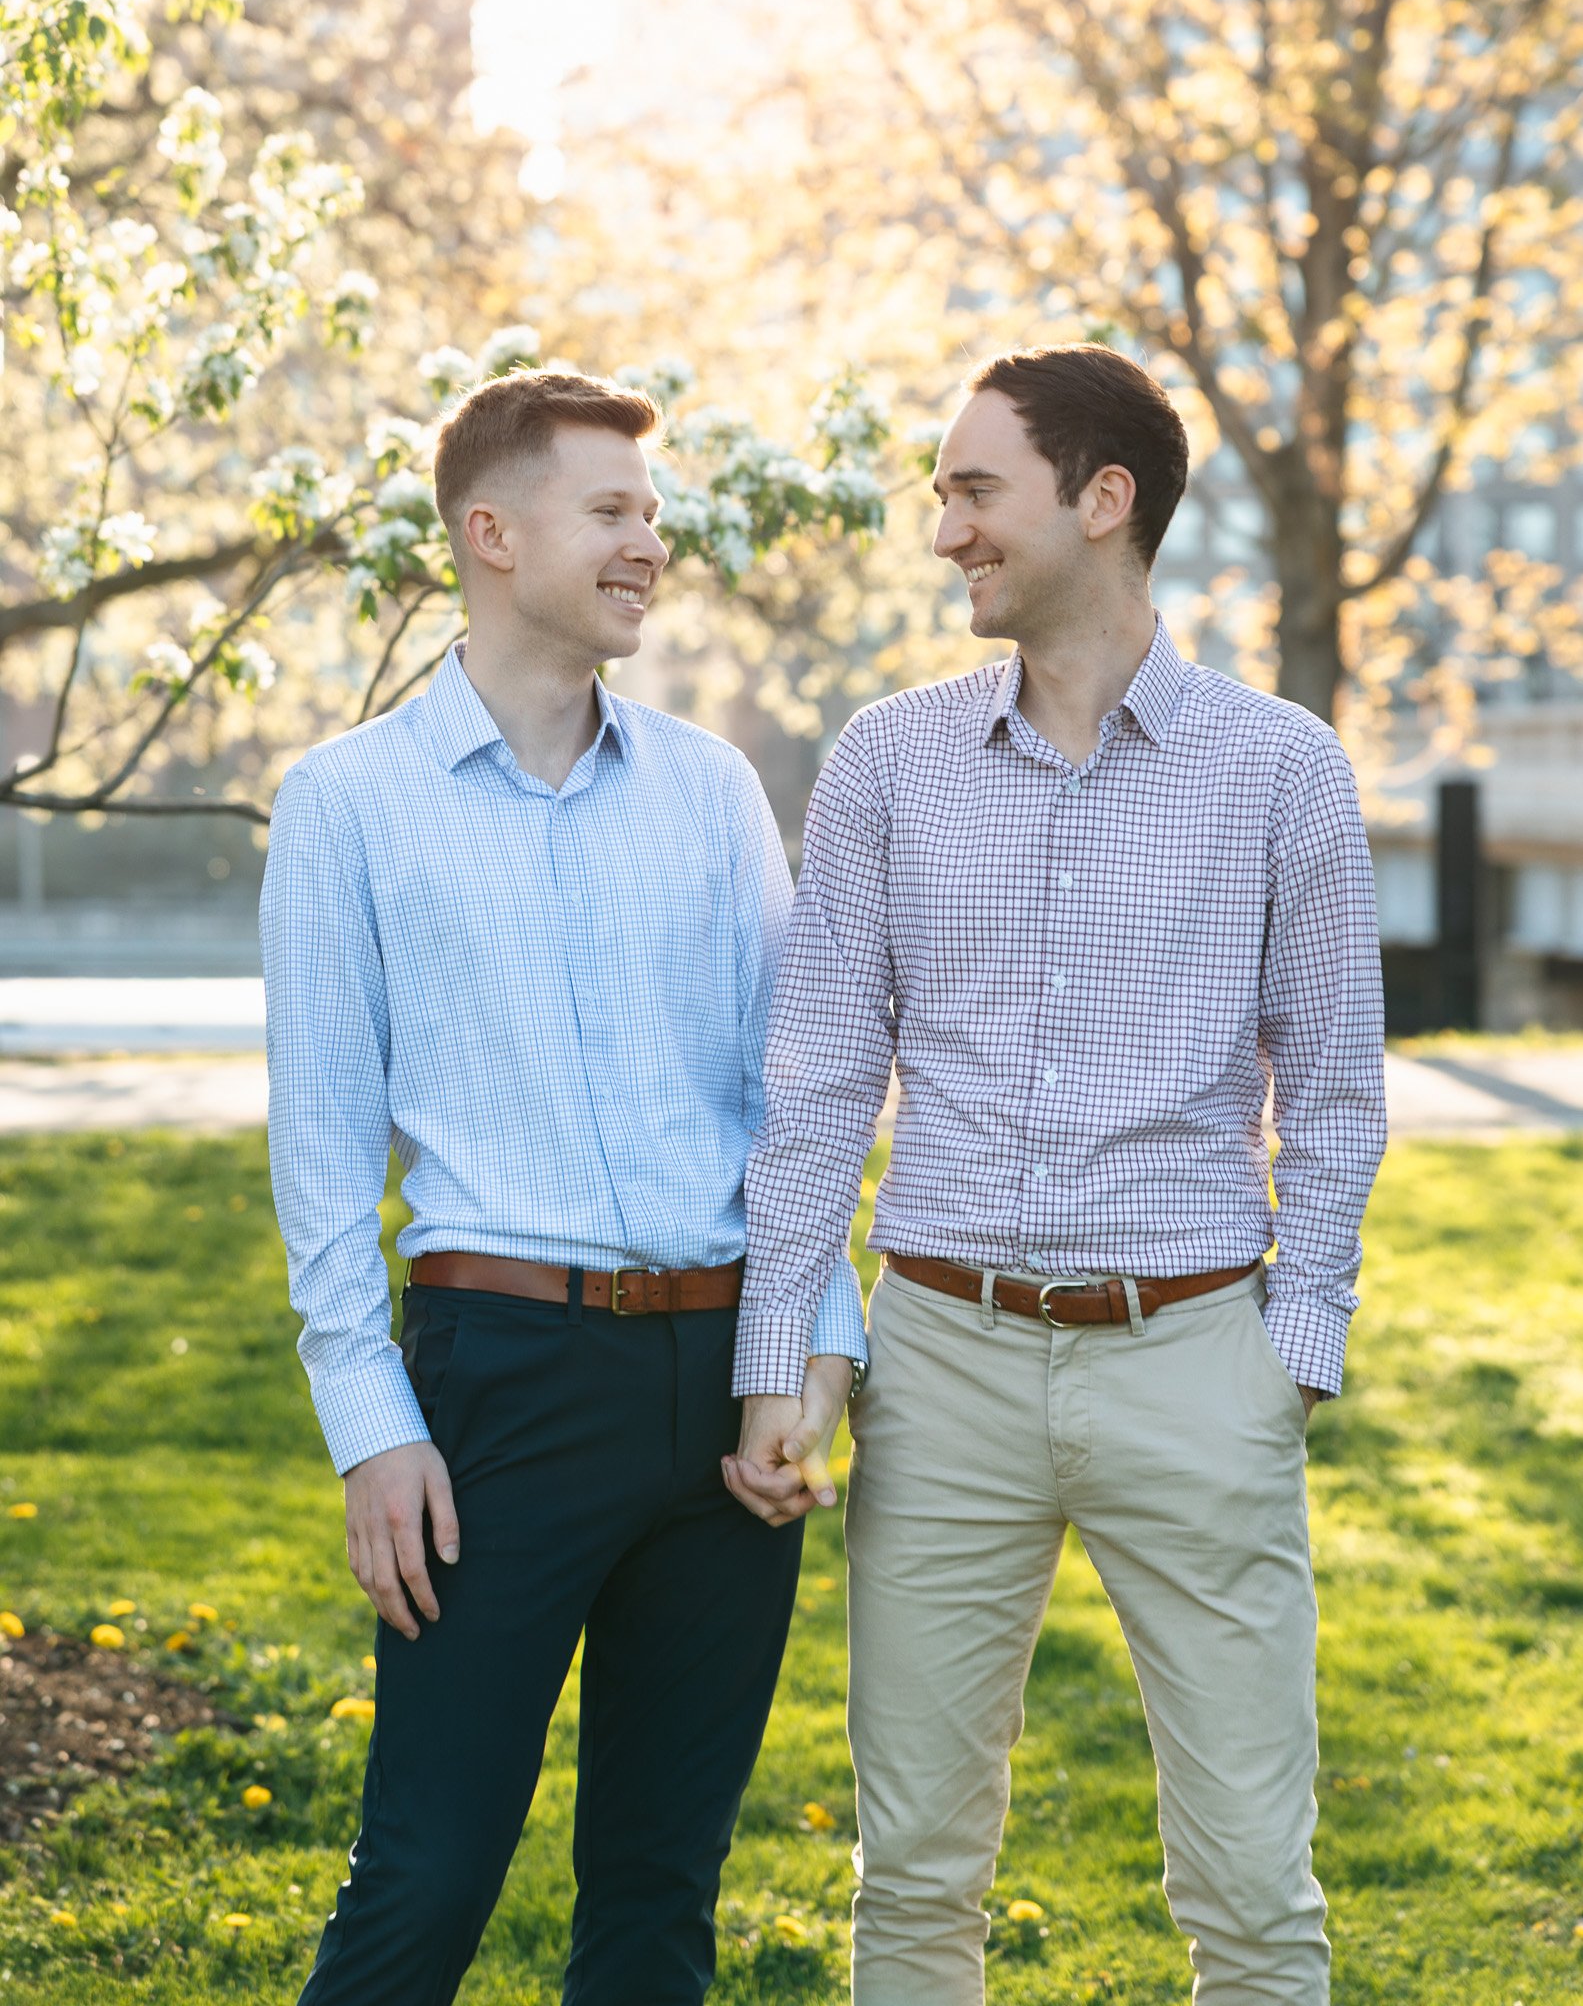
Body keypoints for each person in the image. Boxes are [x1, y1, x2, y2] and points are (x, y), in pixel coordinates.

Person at [724, 343, 1387, 2004]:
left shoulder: (1283, 770)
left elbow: (1339, 1090)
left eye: (973, 490)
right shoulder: (886, 761)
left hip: (1197, 1364)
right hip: (940, 1366)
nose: (944, 528)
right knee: (916, 1883)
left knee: (1251, 1888)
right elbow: (816, 1081)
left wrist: (1290, 1354)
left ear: (1104, 503)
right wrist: (776, 1362)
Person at [261, 365, 865, 2006]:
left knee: (661, 1892)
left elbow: (792, 1107)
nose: (648, 547)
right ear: (490, 532)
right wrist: (371, 1427)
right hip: (500, 1388)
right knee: (431, 1875)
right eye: (611, 512)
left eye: (653, 517)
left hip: (725, 1382)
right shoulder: (345, 808)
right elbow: (321, 1162)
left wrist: (804, 1363)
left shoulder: (715, 790)